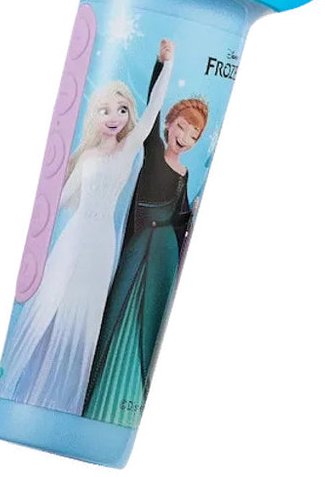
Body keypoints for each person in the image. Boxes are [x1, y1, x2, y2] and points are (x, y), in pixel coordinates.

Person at [0, 40, 175, 415]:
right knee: (53, 299)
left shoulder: (129, 149)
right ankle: (23, 392)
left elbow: (154, 110)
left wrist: (166, 64)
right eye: (105, 110)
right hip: (74, 238)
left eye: (121, 110)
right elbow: (61, 200)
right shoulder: (88, 156)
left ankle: (64, 401)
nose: (114, 117)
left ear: (128, 114)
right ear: (95, 116)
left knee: (84, 311)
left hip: (101, 242)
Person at [83, 60, 208, 427]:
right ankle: (98, 395)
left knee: (147, 321)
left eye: (192, 135)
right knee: (119, 310)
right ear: (169, 123)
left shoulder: (185, 173)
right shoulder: (153, 151)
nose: (183, 136)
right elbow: (153, 107)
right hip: (138, 252)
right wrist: (162, 64)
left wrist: (193, 213)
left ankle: (126, 402)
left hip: (163, 259)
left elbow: (180, 217)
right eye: (181, 126)